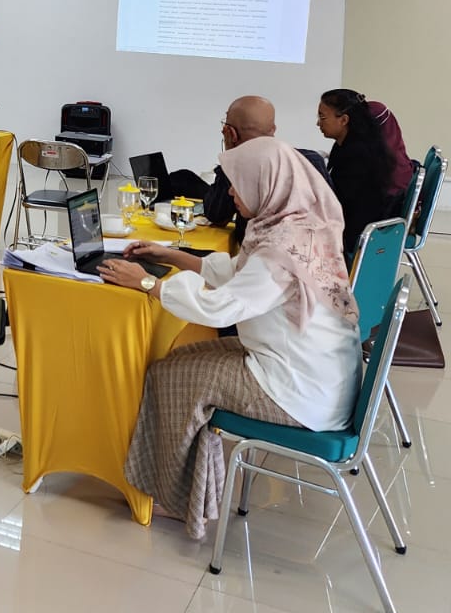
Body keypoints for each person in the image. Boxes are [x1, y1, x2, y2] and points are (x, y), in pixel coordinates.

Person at [99, 139, 361, 541]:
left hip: (298, 390)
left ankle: (177, 499)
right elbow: (240, 274)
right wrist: (173, 256)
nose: (232, 192)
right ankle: (192, 491)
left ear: (266, 183)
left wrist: (148, 283)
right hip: (314, 373)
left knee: (171, 377)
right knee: (178, 362)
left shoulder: (279, 253)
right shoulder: (298, 225)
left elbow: (220, 309)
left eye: (238, 183)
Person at [203, 95, 330, 242]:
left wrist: (231, 155)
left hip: (257, 252)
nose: (232, 191)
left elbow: (217, 216)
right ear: (273, 129)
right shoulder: (311, 160)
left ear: (230, 133)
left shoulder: (243, 168)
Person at [317, 88, 403, 264]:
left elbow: (338, 201)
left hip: (353, 232)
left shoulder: (357, 154)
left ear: (344, 120)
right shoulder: (351, 144)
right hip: (352, 222)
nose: (318, 123)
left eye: (323, 117)